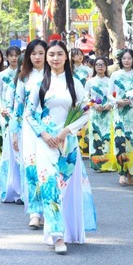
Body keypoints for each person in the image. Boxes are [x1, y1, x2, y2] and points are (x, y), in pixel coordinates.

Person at [25, 40, 96, 254]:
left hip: (68, 142)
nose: (55, 58)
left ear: (66, 57)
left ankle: (69, 230)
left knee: (64, 187)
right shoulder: (39, 84)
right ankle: (56, 235)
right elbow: (29, 113)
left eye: (59, 54)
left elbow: (85, 112)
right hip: (45, 142)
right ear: (47, 58)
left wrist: (66, 131)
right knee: (49, 186)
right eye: (51, 54)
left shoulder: (75, 83)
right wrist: (44, 134)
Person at [13, 39, 47, 227]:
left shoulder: (54, 75)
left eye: (41, 53)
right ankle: (35, 211)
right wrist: (14, 133)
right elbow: (18, 106)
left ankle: (50, 209)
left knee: (49, 169)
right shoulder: (24, 78)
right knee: (32, 168)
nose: (37, 57)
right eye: (33, 53)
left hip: (51, 127)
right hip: (29, 127)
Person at [109, 49, 133, 186]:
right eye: (124, 58)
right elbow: (109, 94)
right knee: (120, 143)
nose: (127, 61)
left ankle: (132, 173)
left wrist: (131, 101)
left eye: (129, 58)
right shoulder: (115, 75)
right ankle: (122, 173)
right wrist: (117, 101)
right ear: (120, 60)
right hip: (119, 114)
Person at [0, 46, 21, 203]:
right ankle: (10, 187)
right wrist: (0, 107)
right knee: (9, 150)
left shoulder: (24, 74)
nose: (13, 58)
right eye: (11, 56)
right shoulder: (2, 76)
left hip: (20, 116)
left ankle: (19, 188)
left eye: (16, 55)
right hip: (6, 115)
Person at [86, 57, 115, 172]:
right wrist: (93, 105)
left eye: (102, 64)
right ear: (94, 67)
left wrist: (110, 104)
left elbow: (114, 96)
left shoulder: (110, 81)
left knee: (107, 137)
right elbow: (85, 97)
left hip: (108, 113)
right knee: (96, 137)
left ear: (106, 66)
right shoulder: (90, 82)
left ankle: (108, 163)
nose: (100, 67)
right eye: (97, 65)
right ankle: (97, 163)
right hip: (95, 113)